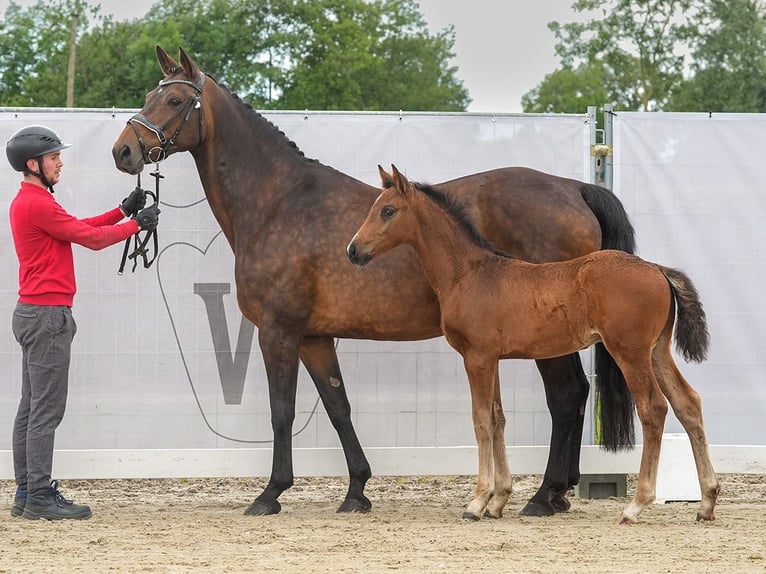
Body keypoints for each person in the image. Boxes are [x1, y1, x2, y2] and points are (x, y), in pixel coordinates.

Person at [6, 125, 160, 520]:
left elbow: (78, 228)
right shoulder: (38, 203)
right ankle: (38, 495)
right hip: (48, 318)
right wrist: (137, 225)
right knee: (45, 411)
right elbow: (91, 240)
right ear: (33, 164)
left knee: (31, 407)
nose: (60, 163)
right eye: (54, 157)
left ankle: (27, 492)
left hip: (33, 313)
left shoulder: (31, 201)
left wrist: (122, 211)